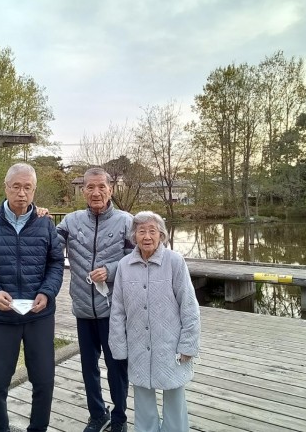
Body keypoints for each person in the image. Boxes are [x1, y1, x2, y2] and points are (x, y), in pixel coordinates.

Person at [0, 163, 64, 432]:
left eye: (27, 187)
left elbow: (56, 263)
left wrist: (47, 292)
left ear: (34, 190)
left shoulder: (45, 223)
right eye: (16, 187)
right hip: (1, 316)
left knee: (44, 381)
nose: (22, 193)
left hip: (38, 315)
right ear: (6, 187)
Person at [56, 167, 133, 432]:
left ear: (110, 189)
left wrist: (110, 270)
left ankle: (119, 418)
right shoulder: (71, 221)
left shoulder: (126, 221)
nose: (96, 192)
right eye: (90, 187)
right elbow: (49, 244)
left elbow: (137, 259)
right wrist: (37, 216)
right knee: (88, 367)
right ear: (83, 191)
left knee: (116, 366)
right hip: (82, 308)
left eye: (101, 187)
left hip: (113, 310)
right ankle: (98, 414)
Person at [109, 211, 201, 432]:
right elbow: (117, 310)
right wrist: (119, 346)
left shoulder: (175, 262)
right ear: (134, 235)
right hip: (138, 344)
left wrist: (188, 344)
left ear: (161, 235)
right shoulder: (124, 265)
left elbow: (189, 305)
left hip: (170, 343)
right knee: (142, 396)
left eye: (152, 231)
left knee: (174, 393)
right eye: (141, 231)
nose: (147, 236)